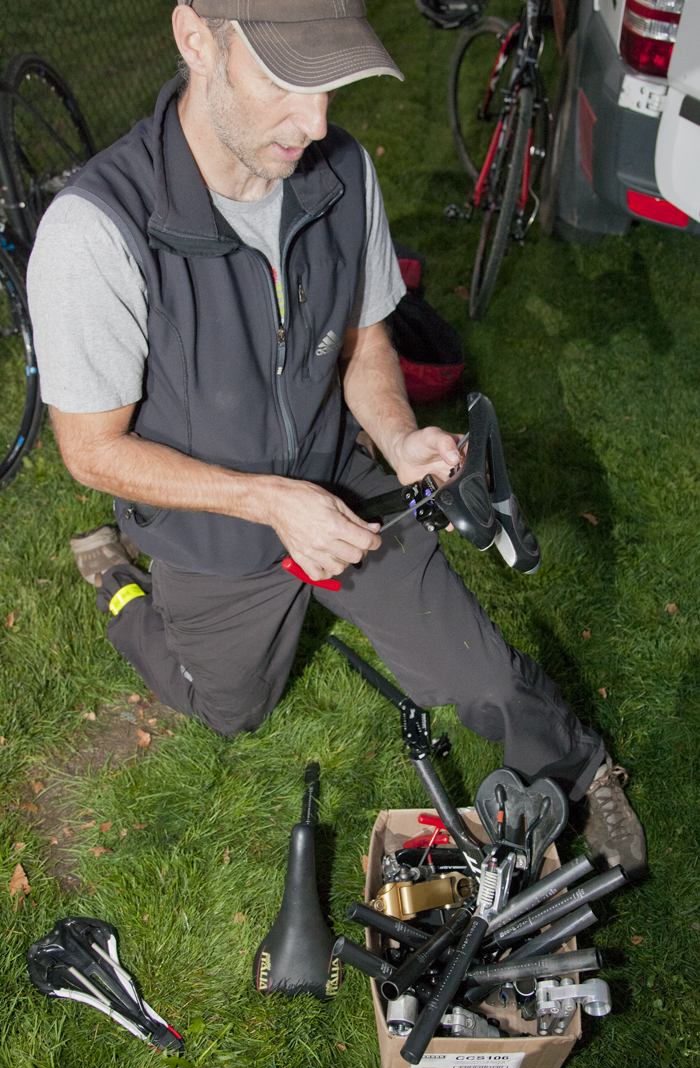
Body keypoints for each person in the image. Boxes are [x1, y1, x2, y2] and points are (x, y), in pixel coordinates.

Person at [26, 0, 645, 879]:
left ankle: (581, 773)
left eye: (329, 83)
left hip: (341, 481)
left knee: (484, 675)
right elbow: (91, 451)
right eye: (284, 79)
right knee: (227, 709)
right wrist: (268, 502)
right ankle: (121, 581)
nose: (316, 120)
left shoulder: (342, 173)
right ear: (196, 39)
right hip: (217, 536)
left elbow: (364, 343)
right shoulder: (96, 231)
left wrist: (395, 438)